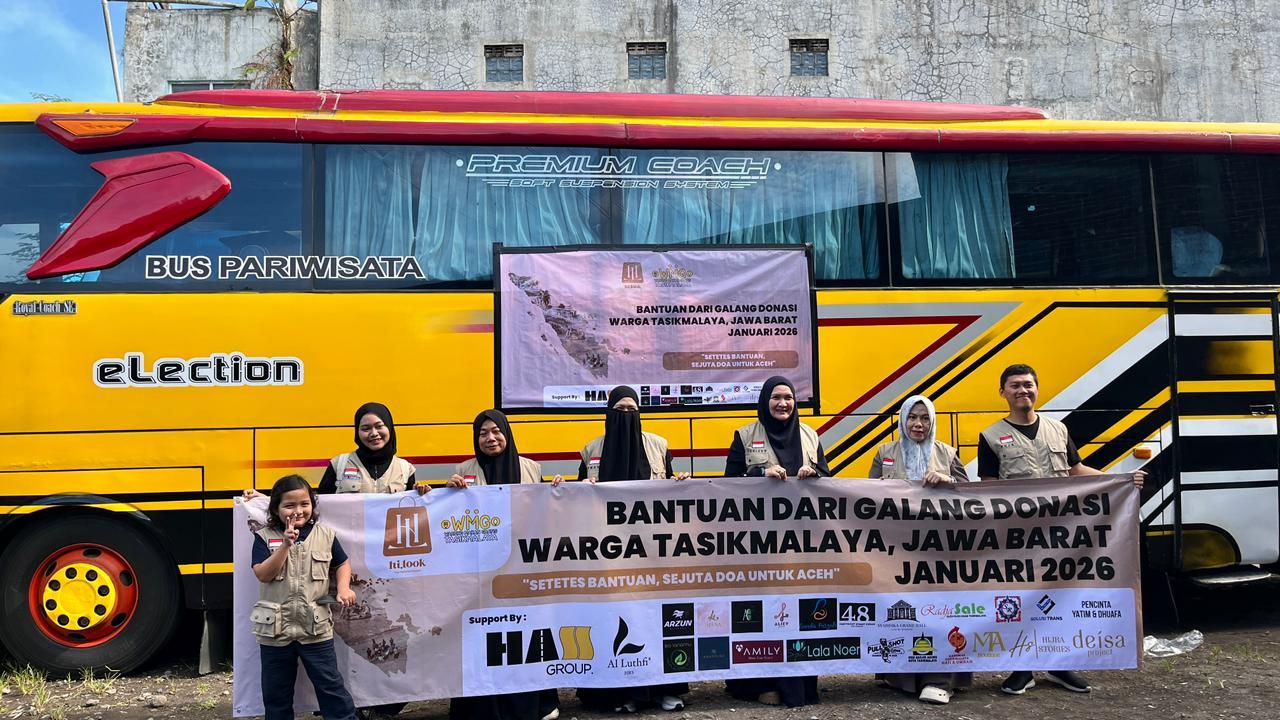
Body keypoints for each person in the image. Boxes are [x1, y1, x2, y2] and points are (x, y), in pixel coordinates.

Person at [978, 363, 1144, 696]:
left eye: (1028, 385)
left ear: (1037, 389)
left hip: (1063, 535)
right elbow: (988, 487)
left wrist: (1121, 481)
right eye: (1015, 386)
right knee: (1022, 599)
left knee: (1061, 595)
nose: (1022, 391)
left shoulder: (1058, 429)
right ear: (1003, 393)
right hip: (1019, 537)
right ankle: (1022, 668)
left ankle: (1059, 664)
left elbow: (1075, 469)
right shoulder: (991, 437)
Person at [245, 403, 417, 718]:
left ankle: (382, 707)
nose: (373, 433)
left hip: (383, 573)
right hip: (277, 630)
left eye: (379, 426)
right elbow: (317, 502)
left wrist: (425, 494)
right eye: (365, 427)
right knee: (277, 691)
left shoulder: (406, 469)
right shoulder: (338, 466)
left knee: (334, 681)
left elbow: (412, 511)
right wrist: (261, 503)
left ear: (390, 428)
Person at [571, 386, 688, 713]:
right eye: (619, 409)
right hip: (608, 553)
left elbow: (669, 489)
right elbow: (577, 500)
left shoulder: (657, 445)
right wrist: (581, 491)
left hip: (652, 550)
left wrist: (681, 483)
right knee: (613, 620)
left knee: (655, 618)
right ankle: (616, 694)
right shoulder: (591, 449)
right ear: (608, 413)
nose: (626, 415)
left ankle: (665, 690)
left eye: (631, 409)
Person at [447, 410, 560, 720]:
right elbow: (452, 517)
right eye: (483, 433)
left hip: (521, 566)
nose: (490, 438)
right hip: (481, 570)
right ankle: (482, 708)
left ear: (507, 434)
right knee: (483, 638)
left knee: (525, 633)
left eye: (496, 431)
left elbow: (547, 511)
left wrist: (559, 489)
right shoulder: (463, 470)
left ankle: (536, 703)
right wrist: (448, 491)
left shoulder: (531, 468)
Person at [724, 376, 827, 708]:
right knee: (762, 614)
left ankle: (800, 687)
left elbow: (830, 483)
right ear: (765, 401)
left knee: (799, 613)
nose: (783, 404)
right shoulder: (744, 436)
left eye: (789, 398)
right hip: (758, 546)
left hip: (802, 543)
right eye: (776, 398)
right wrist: (758, 476)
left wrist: (816, 477)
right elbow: (727, 486)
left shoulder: (811, 436)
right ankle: (759, 685)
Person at [868, 395, 971, 705]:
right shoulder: (884, 452)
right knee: (901, 612)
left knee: (938, 610)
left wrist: (948, 480)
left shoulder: (947, 452)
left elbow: (970, 496)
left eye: (925, 418)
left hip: (938, 550)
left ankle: (939, 679)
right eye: (912, 417)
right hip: (896, 549)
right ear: (902, 419)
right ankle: (899, 676)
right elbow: (864, 497)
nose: (918, 424)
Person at [250, 475, 357, 720]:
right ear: (276, 509)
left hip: (315, 629)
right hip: (275, 633)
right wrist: (285, 546)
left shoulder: (326, 535)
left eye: (304, 504)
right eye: (289, 505)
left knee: (331, 689)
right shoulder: (264, 536)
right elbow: (262, 574)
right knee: (276, 695)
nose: (298, 511)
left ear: (313, 505)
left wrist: (343, 588)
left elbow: (342, 563)